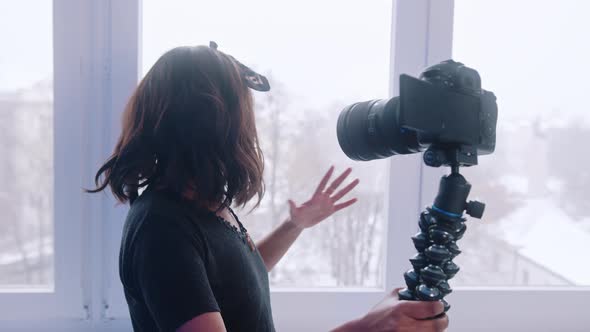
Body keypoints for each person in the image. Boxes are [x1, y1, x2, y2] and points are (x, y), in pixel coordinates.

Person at [89, 43, 448, 332]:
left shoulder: (199, 204)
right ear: (211, 125)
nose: (249, 129)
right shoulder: (162, 229)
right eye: (242, 114)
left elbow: (234, 276)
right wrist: (367, 328)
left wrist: (294, 226)